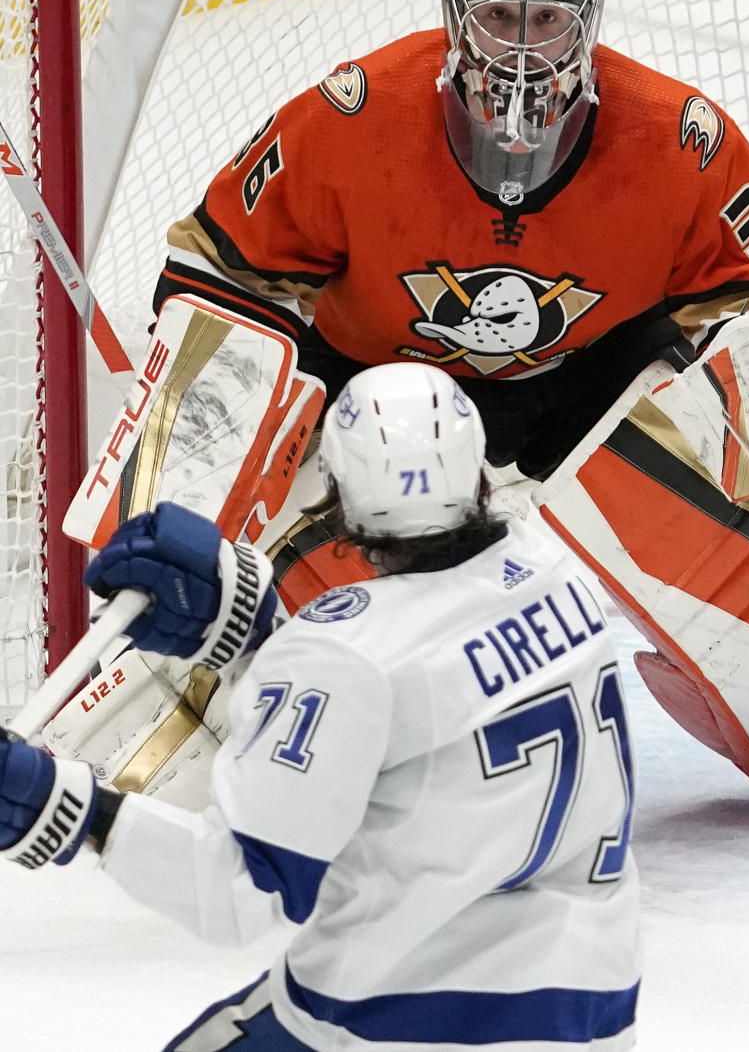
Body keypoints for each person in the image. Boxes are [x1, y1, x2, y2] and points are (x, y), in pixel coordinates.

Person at [60, 0, 749, 836]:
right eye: (500, 17)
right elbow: (215, 277)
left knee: (721, 443)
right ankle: (176, 692)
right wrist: (203, 449)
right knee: (290, 506)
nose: (523, 47)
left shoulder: (678, 135)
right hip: (381, 390)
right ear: (458, 18)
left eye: (548, 19)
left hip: (590, 384)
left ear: (588, 23)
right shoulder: (351, 114)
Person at [1, 363, 642, 1052]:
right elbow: (416, 705)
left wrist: (60, 805)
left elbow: (238, 894)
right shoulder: (558, 573)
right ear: (478, 475)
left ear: (338, 496)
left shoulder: (339, 656)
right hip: (590, 1007)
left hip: (392, 1019)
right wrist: (253, 640)